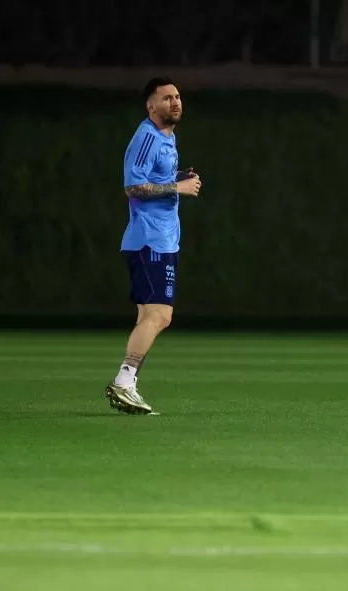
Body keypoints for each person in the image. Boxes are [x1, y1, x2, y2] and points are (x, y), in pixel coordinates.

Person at [105, 77, 201, 415]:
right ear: (151, 106)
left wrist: (177, 179)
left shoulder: (167, 138)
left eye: (177, 97)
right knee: (160, 315)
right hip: (149, 240)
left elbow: (155, 179)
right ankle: (124, 380)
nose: (175, 102)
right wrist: (178, 187)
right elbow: (134, 187)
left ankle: (128, 383)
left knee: (151, 315)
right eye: (166, 98)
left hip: (161, 239)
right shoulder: (147, 136)